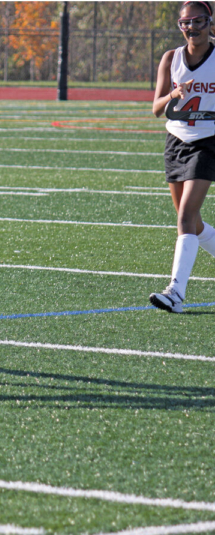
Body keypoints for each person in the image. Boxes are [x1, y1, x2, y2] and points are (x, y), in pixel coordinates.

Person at [150, 0, 215, 313]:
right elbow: (155, 107)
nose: (193, 28)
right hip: (176, 140)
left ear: (210, 21)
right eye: (186, 23)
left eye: (199, 21)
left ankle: (175, 293)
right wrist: (175, 94)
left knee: (185, 216)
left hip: (208, 141)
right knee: (193, 223)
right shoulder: (171, 58)